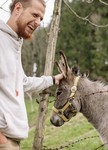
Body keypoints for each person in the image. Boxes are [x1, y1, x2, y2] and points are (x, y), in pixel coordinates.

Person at [0, 0, 63, 149]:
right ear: (18, 8)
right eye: (35, 15)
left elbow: (22, 82)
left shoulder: (14, 42)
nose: (38, 22)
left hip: (12, 140)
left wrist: (52, 80)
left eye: (41, 18)